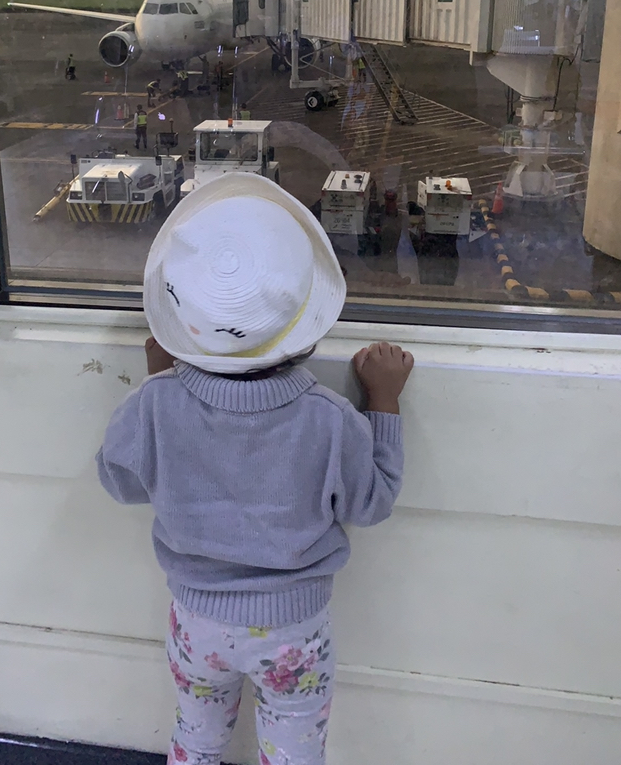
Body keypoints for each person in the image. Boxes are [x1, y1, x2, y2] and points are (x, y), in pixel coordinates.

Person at [96, 175, 412, 765]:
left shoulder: (158, 404)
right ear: (308, 328)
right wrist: (385, 404)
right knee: (294, 754)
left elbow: (119, 479)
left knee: (195, 740)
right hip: (293, 630)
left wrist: (156, 384)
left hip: (196, 624)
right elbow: (371, 503)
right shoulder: (330, 418)